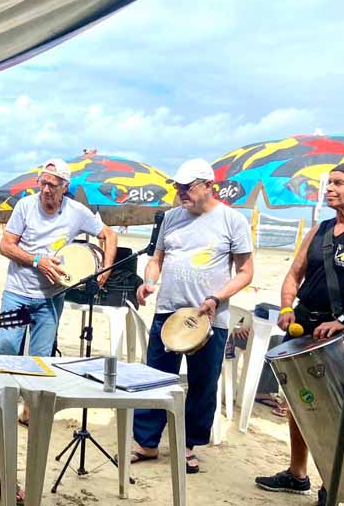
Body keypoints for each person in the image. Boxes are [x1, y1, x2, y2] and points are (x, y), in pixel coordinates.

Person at [255, 162, 344, 505]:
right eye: (329, 183)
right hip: (303, 326)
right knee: (297, 404)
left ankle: (332, 484)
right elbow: (293, 274)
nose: (329, 188)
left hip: (339, 337)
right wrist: (287, 307)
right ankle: (297, 473)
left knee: (334, 412)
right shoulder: (320, 229)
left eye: (338, 183)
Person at [132, 158, 254, 475]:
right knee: (155, 379)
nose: (181, 192)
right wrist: (148, 281)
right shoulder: (171, 218)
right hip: (168, 313)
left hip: (209, 318)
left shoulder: (232, 220)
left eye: (188, 187)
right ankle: (146, 443)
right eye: (178, 187)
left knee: (202, 385)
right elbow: (156, 259)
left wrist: (217, 297)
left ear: (208, 186)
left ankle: (187, 445)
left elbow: (246, 272)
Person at [0, 158, 117, 423]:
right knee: (6, 346)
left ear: (65, 187)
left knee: (41, 358)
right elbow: (5, 246)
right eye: (43, 183)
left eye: (53, 184)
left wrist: (104, 271)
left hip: (51, 296)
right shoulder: (25, 206)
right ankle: (2, 404)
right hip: (17, 290)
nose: (46, 189)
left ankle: (29, 411)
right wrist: (37, 261)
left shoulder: (77, 211)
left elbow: (109, 234)